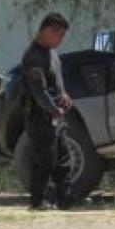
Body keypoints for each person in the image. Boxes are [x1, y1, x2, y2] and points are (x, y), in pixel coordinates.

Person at [21, 13, 74, 210]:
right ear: (47, 31)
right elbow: (39, 92)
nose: (60, 40)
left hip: (55, 115)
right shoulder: (33, 57)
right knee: (45, 159)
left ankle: (65, 199)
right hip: (40, 116)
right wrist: (55, 110)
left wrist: (64, 95)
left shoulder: (51, 52)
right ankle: (38, 202)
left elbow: (55, 82)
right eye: (58, 35)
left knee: (63, 158)